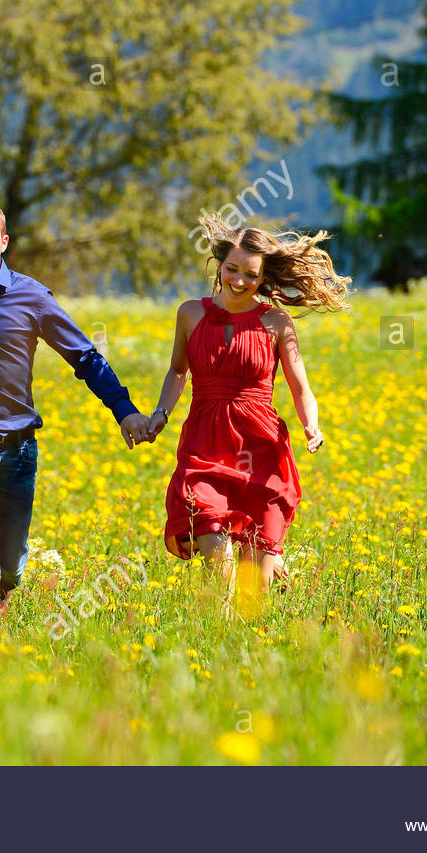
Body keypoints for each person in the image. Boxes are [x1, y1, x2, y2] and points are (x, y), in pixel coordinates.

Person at [0, 197, 154, 616]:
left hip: (17, 449)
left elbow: (85, 357)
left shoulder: (32, 297)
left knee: (10, 568)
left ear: (3, 242)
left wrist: (124, 409)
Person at [144, 213, 352, 599]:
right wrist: (160, 413)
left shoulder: (276, 321)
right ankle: (213, 642)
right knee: (217, 561)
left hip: (261, 448)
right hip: (204, 445)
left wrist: (312, 426)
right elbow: (177, 371)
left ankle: (272, 577)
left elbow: (300, 387)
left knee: (254, 585)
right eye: (232, 269)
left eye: (251, 275)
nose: (239, 281)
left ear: (264, 277)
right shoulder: (190, 314)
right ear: (219, 264)